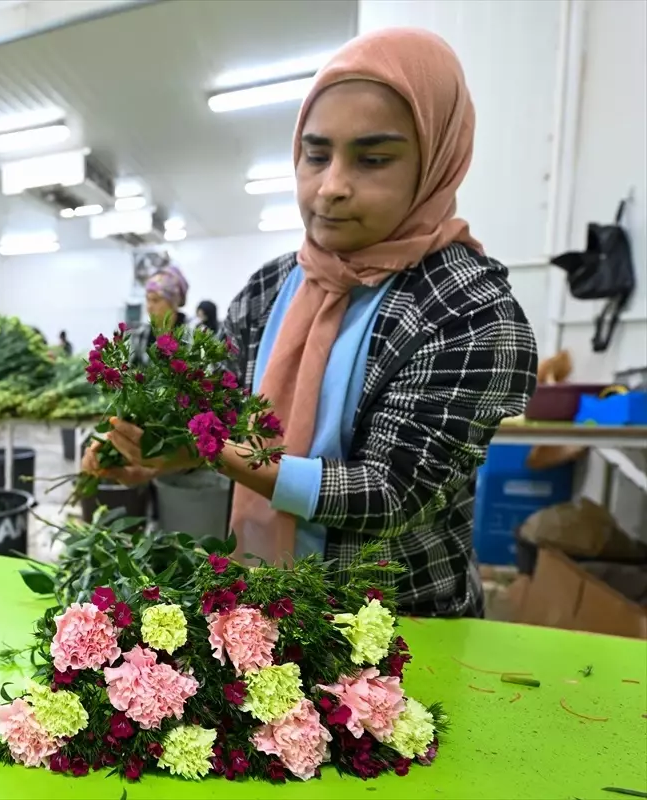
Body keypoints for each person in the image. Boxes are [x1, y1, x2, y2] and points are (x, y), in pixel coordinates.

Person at [83, 28, 537, 618]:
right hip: (256, 614)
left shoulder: (468, 310)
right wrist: (162, 453)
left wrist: (213, 446)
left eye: (373, 159)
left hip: (402, 626)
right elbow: (219, 419)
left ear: (437, 162)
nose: (332, 187)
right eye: (316, 155)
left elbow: (389, 493)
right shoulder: (270, 289)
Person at [127, 262, 189, 365]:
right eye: (148, 300)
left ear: (173, 303)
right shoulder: (141, 335)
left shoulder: (191, 333)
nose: (149, 306)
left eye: (155, 300)